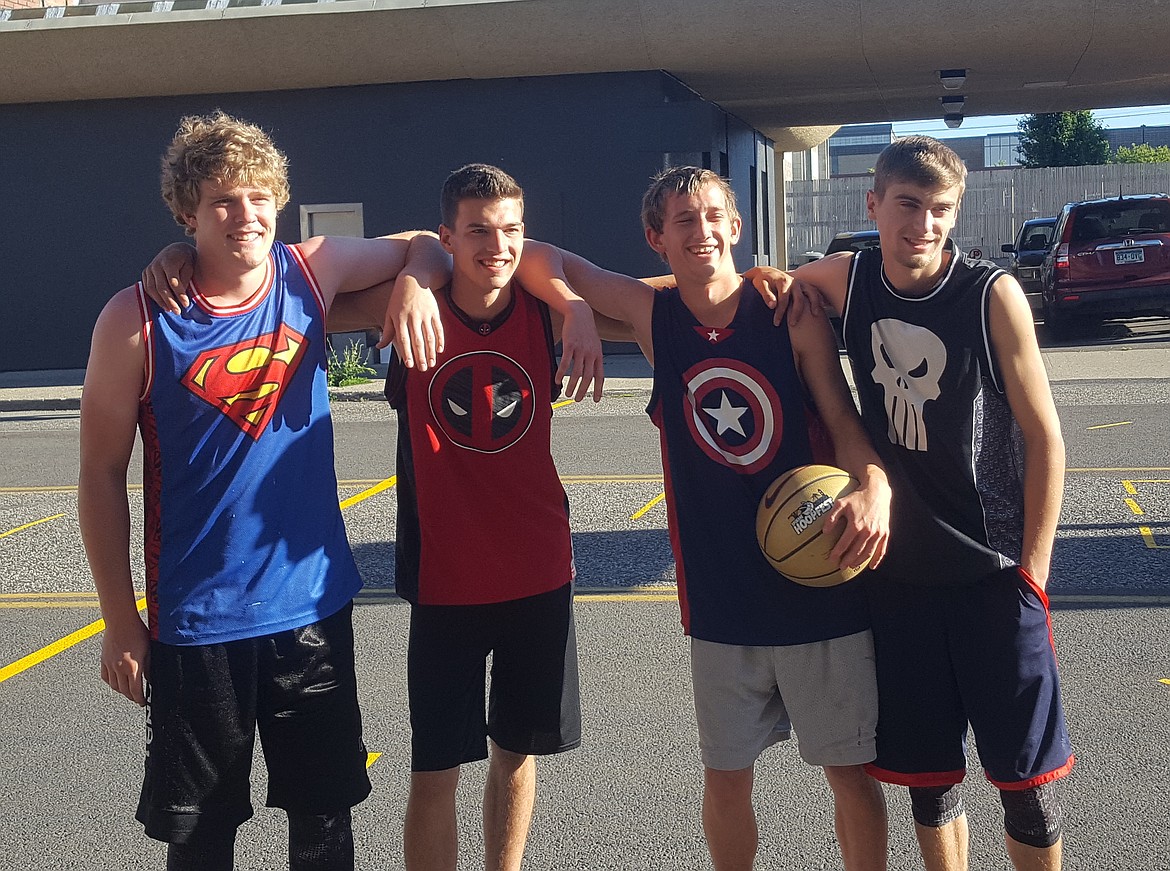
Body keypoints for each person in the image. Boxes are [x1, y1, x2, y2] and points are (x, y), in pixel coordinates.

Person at [391, 165, 890, 871]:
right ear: (655, 238)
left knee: (849, 774)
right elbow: (543, 256)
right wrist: (570, 304)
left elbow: (844, 417)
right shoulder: (656, 316)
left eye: (714, 215)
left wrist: (876, 486)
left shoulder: (791, 312)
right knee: (726, 780)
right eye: (683, 220)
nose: (702, 231)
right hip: (720, 600)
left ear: (738, 225)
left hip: (818, 579)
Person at [78, 111, 446, 871]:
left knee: (323, 824)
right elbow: (98, 474)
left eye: (257, 196)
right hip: (196, 620)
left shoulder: (310, 271)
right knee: (202, 836)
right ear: (186, 212)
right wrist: (120, 621)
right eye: (220, 200)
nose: (244, 214)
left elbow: (430, 244)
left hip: (310, 607)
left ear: (279, 199)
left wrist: (413, 284)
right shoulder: (136, 319)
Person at [750, 135, 1074, 871]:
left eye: (939, 210)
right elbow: (724, 290)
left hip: (992, 573)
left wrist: (1035, 573)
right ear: (874, 205)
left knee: (1026, 787)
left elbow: (1045, 437)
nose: (922, 225)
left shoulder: (991, 296)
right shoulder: (847, 280)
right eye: (907, 205)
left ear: (954, 214)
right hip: (898, 578)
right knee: (929, 785)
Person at [328, 163, 620, 871]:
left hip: (538, 573)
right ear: (448, 238)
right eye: (478, 231)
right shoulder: (404, 311)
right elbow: (288, 291)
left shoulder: (540, 306)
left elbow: (663, 296)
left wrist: (576, 302)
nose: (498, 245)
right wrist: (413, 274)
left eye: (510, 229)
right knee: (435, 771)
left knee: (516, 756)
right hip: (445, 580)